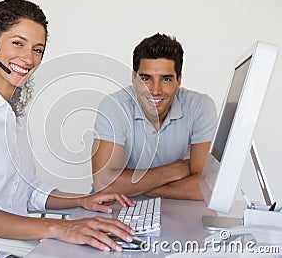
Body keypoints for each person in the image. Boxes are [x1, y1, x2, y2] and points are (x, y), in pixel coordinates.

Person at [0, 0, 136, 258]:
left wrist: (81, 200)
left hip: (16, 250)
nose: (28, 58)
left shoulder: (13, 116)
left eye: (38, 49)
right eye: (18, 43)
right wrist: (60, 228)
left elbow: (28, 191)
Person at [91, 33, 217, 200]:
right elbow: (104, 184)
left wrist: (131, 186)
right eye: (146, 78)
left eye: (165, 79)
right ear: (133, 79)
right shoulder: (114, 105)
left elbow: (206, 188)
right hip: (114, 207)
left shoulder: (200, 106)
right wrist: (174, 170)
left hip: (174, 207)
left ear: (178, 81)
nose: (155, 90)